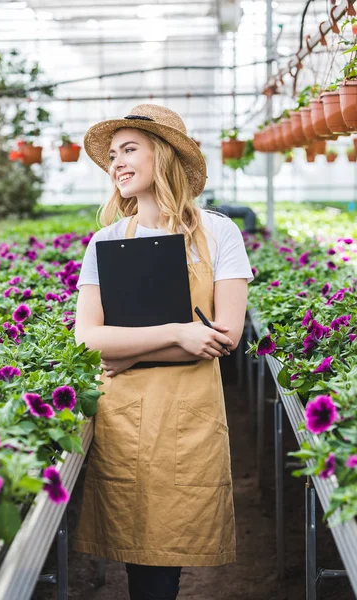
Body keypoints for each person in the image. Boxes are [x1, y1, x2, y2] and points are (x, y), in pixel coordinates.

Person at [73, 104, 254, 600]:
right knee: (138, 552)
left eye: (130, 149)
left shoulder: (218, 233)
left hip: (188, 412)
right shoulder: (107, 241)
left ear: (166, 155)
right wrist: (178, 333)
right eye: (113, 155)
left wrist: (127, 354)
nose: (117, 163)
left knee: (169, 555)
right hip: (126, 416)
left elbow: (225, 337)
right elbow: (88, 339)